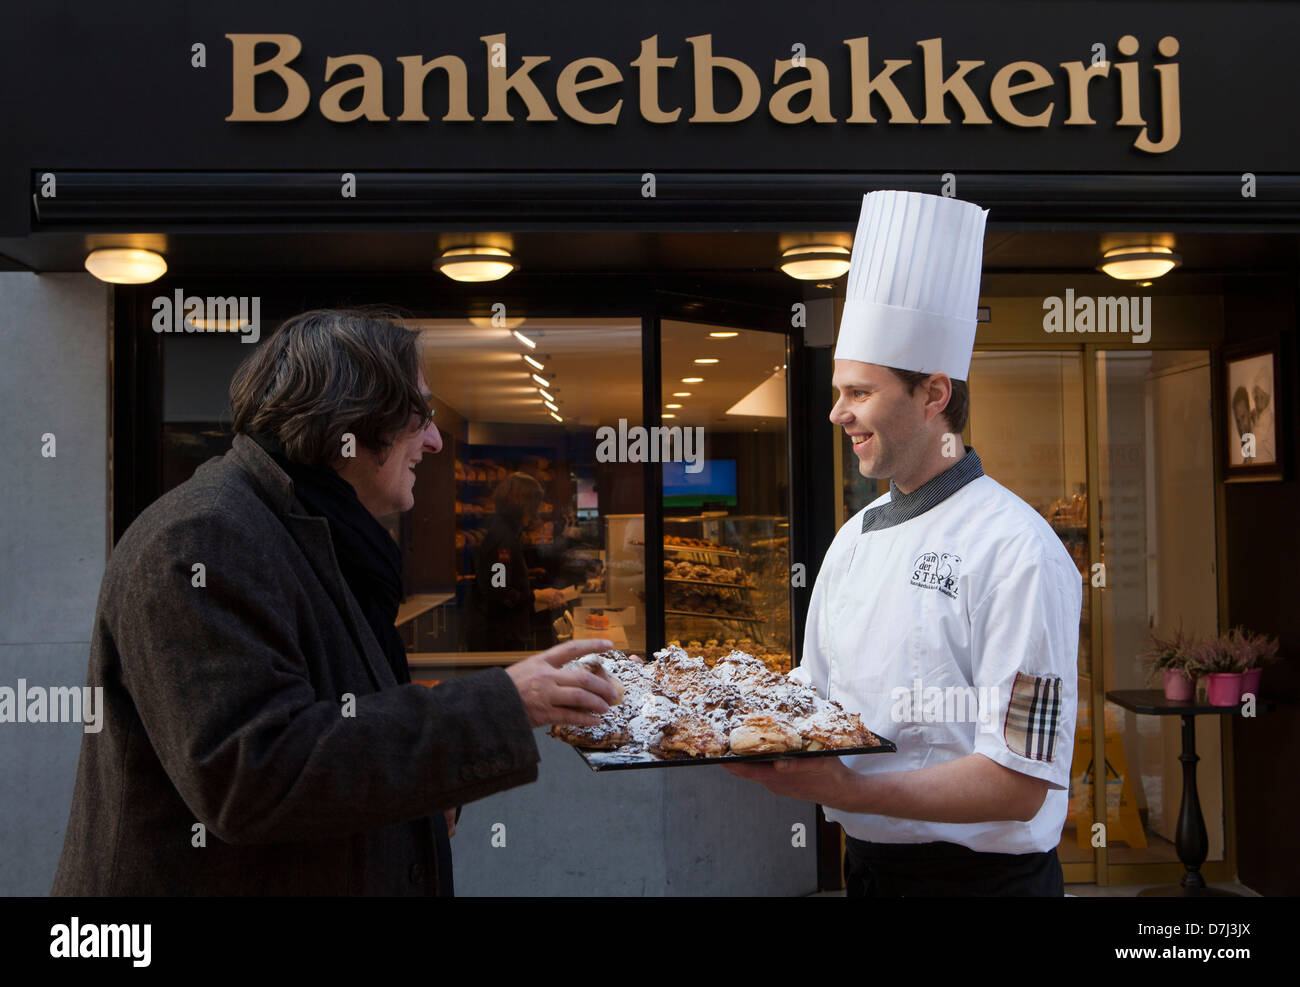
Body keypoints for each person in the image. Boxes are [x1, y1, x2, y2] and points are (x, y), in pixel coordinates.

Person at [51, 308, 618, 896]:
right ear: (355, 419)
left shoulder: (317, 534)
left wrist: (416, 802)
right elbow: (253, 774)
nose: (434, 438)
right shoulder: (203, 536)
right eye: (420, 412)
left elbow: (337, 728)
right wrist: (501, 703)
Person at [726, 191, 1082, 896]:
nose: (836, 413)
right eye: (837, 391)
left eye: (858, 391)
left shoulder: (1021, 549)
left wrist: (846, 790)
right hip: (871, 874)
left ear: (934, 394)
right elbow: (816, 696)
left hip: (988, 885)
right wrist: (709, 712)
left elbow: (1018, 782)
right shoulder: (852, 541)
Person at [466, 472, 567, 651]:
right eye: (535, 504)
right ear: (523, 504)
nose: (537, 511)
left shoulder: (503, 532)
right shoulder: (503, 541)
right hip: (499, 639)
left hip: (501, 634)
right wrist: (537, 595)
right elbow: (499, 591)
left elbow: (501, 579)